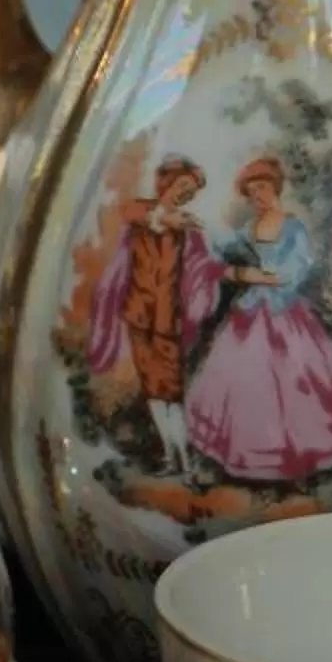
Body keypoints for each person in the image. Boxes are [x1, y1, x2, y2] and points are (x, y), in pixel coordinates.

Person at [185, 155, 332, 483]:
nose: (257, 197)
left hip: (285, 310)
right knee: (243, 376)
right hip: (252, 308)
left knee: (300, 377)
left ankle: (305, 457)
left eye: (261, 188)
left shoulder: (292, 227)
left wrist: (256, 276)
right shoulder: (251, 227)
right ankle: (251, 454)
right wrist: (212, 252)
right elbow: (222, 249)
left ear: (275, 187)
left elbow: (297, 270)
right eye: (251, 192)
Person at [84, 157, 224, 471]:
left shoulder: (188, 229)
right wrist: (164, 219)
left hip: (167, 320)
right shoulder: (143, 212)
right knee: (153, 391)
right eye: (182, 185)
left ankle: (185, 460)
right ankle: (170, 456)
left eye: (190, 191)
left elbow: (201, 269)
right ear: (166, 183)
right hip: (139, 314)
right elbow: (131, 212)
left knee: (171, 392)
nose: (185, 193)